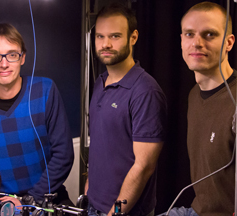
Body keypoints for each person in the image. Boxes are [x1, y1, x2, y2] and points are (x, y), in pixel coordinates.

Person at [0, 23, 74, 208]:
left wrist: (30, 199)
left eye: (12, 55)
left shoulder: (45, 90)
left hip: (45, 198)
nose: (4, 64)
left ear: (22, 58)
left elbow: (64, 154)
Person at [85, 3, 167, 216]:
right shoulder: (100, 82)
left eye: (115, 36)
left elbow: (144, 167)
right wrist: (89, 188)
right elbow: (102, 144)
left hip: (125, 212)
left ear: (133, 37)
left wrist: (116, 212)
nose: (106, 44)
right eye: (100, 37)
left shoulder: (145, 91)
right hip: (93, 206)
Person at [159, 2, 236, 216]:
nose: (197, 43)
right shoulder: (195, 94)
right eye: (189, 34)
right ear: (181, 40)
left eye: (209, 34)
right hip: (196, 210)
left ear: (229, 43)